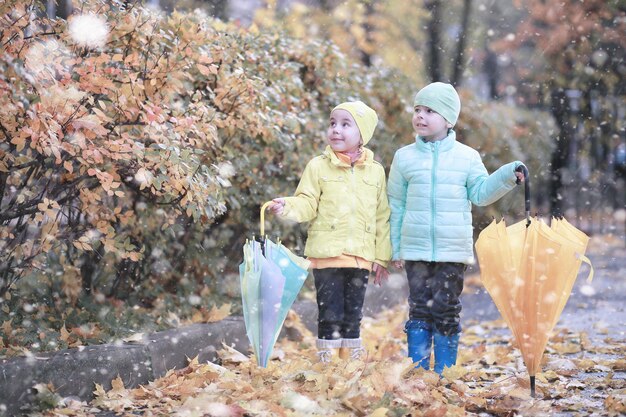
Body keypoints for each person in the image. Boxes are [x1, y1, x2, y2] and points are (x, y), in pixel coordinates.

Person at [387, 82, 526, 374]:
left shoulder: (467, 157)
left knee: (446, 310)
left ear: (449, 120)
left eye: (430, 111)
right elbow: (396, 204)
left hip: (452, 250)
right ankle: (419, 371)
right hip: (416, 249)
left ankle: (445, 373)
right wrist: (397, 247)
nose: (420, 116)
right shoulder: (404, 157)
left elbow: (481, 193)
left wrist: (506, 175)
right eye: (417, 110)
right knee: (420, 309)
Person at [269, 101, 392, 363]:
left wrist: (381, 257)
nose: (336, 130)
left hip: (360, 257)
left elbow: (382, 216)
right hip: (326, 256)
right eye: (333, 123)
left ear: (362, 135)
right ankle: (328, 362)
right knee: (329, 312)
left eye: (345, 125)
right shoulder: (318, 167)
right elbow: (307, 202)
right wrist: (287, 206)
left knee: (353, 313)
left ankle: (349, 361)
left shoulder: (376, 172)